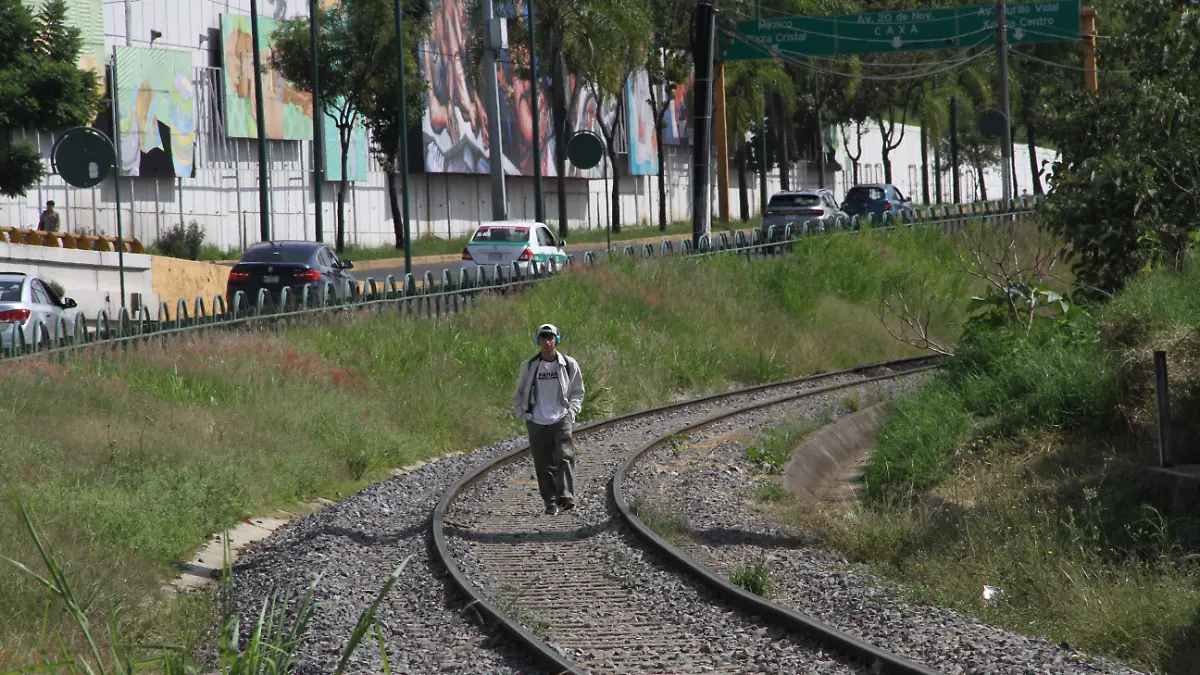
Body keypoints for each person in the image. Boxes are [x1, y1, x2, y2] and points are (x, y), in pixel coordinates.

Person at [512, 323, 585, 515]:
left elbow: (578, 391)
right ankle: (550, 501)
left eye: (550, 337)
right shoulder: (530, 366)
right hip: (537, 420)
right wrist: (525, 416)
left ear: (557, 340)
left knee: (565, 456)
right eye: (543, 338)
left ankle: (566, 496)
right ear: (538, 341)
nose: (547, 341)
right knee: (543, 464)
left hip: (561, 417)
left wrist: (571, 412)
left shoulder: (568, 364)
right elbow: (519, 393)